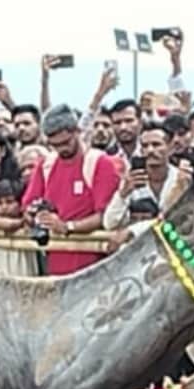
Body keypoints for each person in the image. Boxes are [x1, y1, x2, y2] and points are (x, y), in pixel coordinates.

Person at [20, 104, 121, 276]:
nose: (62, 149)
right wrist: (33, 215)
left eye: (66, 142)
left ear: (77, 132)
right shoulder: (46, 165)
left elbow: (105, 216)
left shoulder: (99, 163)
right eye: (55, 145)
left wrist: (68, 226)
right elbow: (28, 206)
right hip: (54, 263)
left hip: (95, 266)